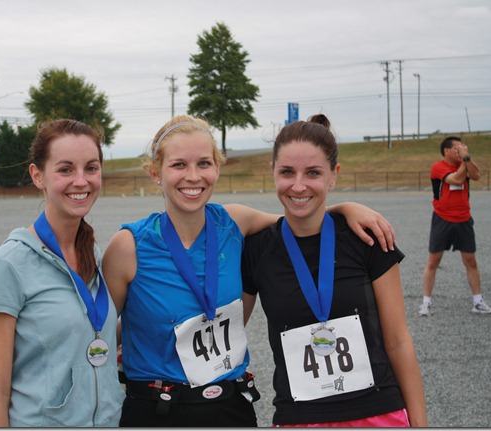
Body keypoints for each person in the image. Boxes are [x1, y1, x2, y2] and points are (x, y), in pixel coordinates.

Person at [102, 115, 398, 427]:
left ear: (217, 168)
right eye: (178, 165)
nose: (193, 176)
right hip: (158, 410)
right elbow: (101, 329)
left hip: (230, 405)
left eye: (204, 163)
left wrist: (345, 208)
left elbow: (298, 216)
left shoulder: (234, 222)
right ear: (155, 173)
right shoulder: (129, 247)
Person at [241, 115, 427, 427]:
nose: (298, 185)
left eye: (313, 172)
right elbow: (230, 331)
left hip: (377, 412)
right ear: (272, 171)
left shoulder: (368, 238)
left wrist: (420, 423)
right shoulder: (257, 250)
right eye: (287, 172)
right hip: (299, 417)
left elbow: (398, 341)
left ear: (334, 175)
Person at [0, 119, 125, 426]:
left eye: (91, 168)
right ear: (37, 175)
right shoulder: (6, 265)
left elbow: (88, 331)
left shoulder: (91, 252)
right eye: (65, 169)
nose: (81, 181)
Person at [419, 136, 491, 316]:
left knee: (470, 261)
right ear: (447, 151)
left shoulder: (465, 163)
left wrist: (466, 159)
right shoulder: (438, 167)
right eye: (457, 148)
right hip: (442, 219)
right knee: (433, 261)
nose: (461, 150)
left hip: (464, 219)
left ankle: (477, 301)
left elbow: (476, 175)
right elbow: (455, 180)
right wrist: (465, 161)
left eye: (462, 147)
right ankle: (426, 303)